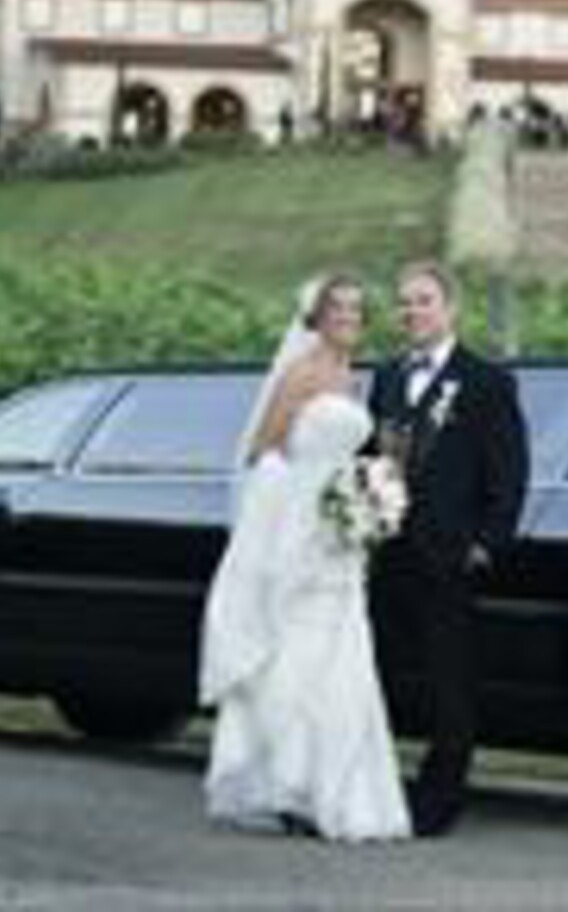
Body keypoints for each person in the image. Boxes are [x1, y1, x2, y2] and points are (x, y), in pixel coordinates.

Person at [199, 275, 410, 842]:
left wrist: (366, 498)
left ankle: (334, 790)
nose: (349, 317)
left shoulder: (351, 377)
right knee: (295, 659)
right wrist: (301, 512)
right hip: (301, 535)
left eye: (357, 309)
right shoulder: (303, 372)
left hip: (342, 543)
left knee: (344, 659)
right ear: (317, 316)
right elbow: (264, 451)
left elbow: (351, 455)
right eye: (338, 308)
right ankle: (285, 785)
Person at [368, 261, 528, 838]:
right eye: (405, 302)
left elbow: (509, 471)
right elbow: (373, 456)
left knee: (448, 681)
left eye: (424, 300)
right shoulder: (386, 377)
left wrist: (486, 543)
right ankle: (374, 787)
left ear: (450, 308)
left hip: (450, 555)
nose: (412, 311)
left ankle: (440, 800)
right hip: (390, 555)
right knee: (379, 672)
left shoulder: (486, 381)